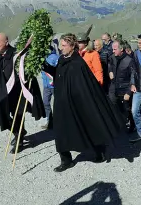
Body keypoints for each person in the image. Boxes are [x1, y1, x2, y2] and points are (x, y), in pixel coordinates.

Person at [52, 33, 125, 172]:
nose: (61, 48)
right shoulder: (62, 60)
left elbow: (84, 85)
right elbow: (57, 77)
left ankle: (99, 151)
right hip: (61, 103)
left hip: (77, 102)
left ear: (72, 46)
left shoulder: (78, 63)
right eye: (61, 45)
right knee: (60, 130)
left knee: (89, 125)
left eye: (64, 45)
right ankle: (66, 160)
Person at [0, 33, 45, 153]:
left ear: (6, 42)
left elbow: (25, 72)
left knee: (18, 115)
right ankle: (19, 132)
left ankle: (19, 141)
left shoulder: (17, 54)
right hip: (2, 94)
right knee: (2, 116)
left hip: (18, 92)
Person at [108, 39, 136, 132]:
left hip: (125, 88)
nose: (113, 51)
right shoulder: (112, 57)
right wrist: (110, 71)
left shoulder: (129, 60)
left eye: (115, 49)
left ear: (121, 49)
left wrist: (129, 92)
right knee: (115, 106)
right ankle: (121, 123)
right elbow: (110, 65)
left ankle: (132, 125)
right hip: (114, 87)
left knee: (128, 108)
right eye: (112, 49)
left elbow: (133, 77)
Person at [40, 46, 59, 129]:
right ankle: (49, 120)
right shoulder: (42, 58)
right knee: (45, 102)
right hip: (46, 85)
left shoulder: (55, 57)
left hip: (54, 85)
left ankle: (59, 121)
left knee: (58, 104)